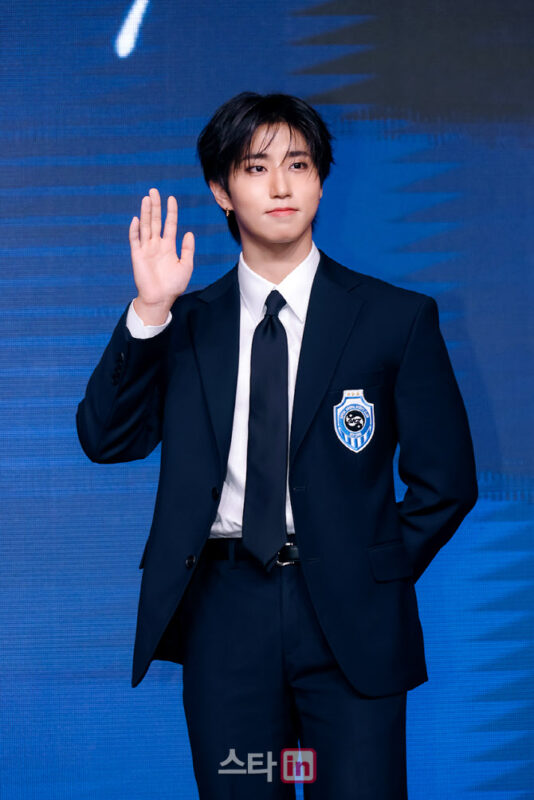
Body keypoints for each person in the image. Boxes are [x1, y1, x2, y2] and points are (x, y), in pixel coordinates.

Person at [76, 91, 478, 799]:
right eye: (256, 168)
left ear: (321, 179)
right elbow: (107, 439)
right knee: (246, 788)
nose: (281, 186)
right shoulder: (186, 323)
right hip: (225, 610)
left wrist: (371, 569)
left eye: (299, 164)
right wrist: (149, 311)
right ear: (221, 190)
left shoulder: (394, 318)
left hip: (349, 618)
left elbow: (447, 482)